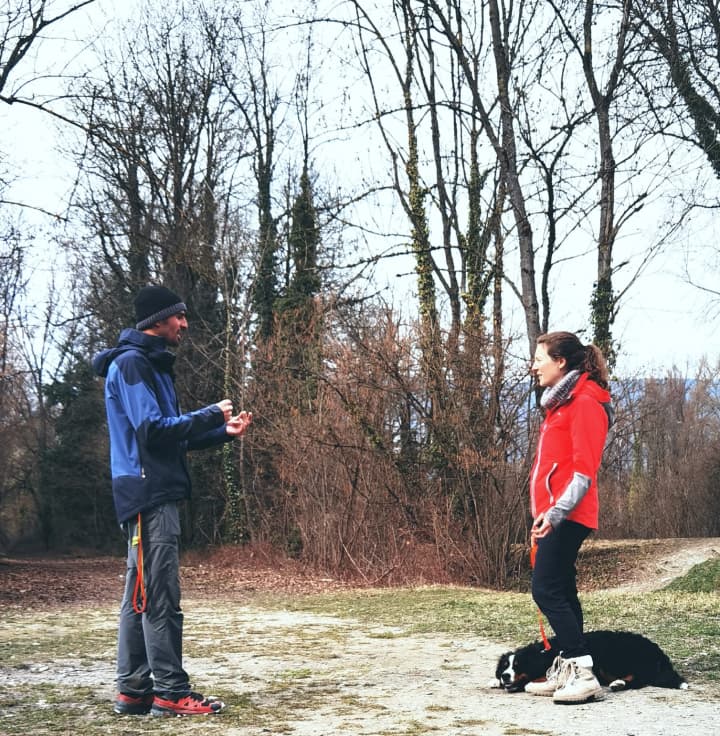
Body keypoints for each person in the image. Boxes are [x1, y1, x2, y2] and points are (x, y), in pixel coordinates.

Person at [93, 284, 252, 717]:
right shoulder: (132, 365)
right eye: (178, 317)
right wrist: (209, 414)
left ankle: (134, 689)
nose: (184, 324)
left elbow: (167, 438)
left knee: (138, 594)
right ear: (156, 321)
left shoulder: (151, 365)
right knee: (159, 594)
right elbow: (153, 431)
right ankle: (168, 691)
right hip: (148, 493)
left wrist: (222, 432)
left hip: (149, 488)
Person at [524, 331, 613, 704]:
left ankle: (583, 670)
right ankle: (569, 668)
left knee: (544, 589)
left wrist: (556, 513)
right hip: (555, 513)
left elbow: (583, 471)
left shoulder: (585, 402)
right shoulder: (561, 404)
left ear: (561, 362)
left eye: (539, 358)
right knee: (561, 589)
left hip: (569, 514)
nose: (533, 366)